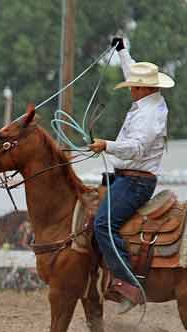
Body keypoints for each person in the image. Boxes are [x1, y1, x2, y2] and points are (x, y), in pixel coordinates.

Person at [88, 37, 175, 314]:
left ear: (141, 88)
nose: (129, 89)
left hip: (137, 181)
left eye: (132, 86)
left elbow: (137, 150)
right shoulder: (148, 100)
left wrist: (107, 145)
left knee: (103, 223)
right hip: (128, 177)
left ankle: (129, 284)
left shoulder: (150, 115)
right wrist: (123, 51)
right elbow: (133, 71)